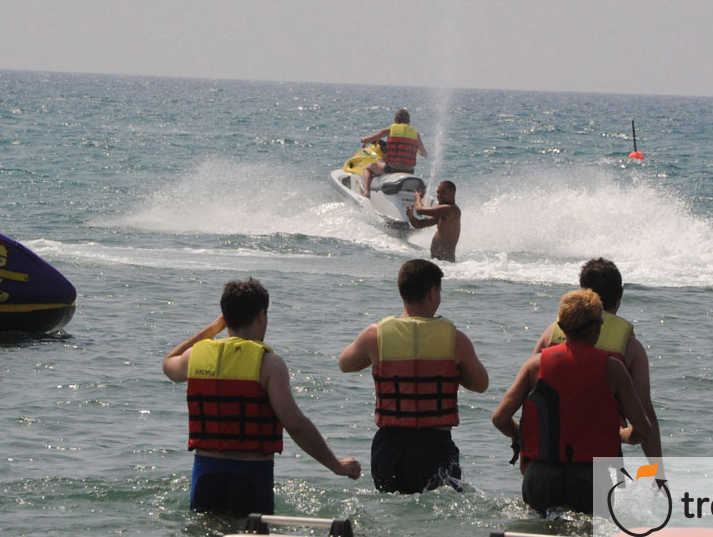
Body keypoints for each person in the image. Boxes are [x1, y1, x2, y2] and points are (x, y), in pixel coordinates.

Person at [162, 278, 361, 515]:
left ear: (224, 318)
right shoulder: (269, 364)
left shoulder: (195, 356)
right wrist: (335, 464)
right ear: (261, 316)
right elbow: (294, 423)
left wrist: (211, 330)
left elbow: (167, 363)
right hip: (251, 478)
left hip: (206, 477)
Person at [492, 289, 652, 515]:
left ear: (562, 327)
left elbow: (500, 418)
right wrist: (617, 434)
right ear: (598, 327)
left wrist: (523, 435)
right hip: (591, 479)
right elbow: (643, 431)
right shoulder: (613, 369)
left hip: (541, 476)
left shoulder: (535, 365)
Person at [338, 259, 488, 494]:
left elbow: (345, 364)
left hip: (389, 447)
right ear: (432, 293)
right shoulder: (455, 340)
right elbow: (481, 384)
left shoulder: (374, 336)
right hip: (434, 446)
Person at [532, 258, 663, 461]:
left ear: (582, 294)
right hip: (601, 454)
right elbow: (645, 414)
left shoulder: (551, 333)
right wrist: (658, 471)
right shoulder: (630, 347)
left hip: (548, 454)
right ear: (620, 295)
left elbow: (530, 393)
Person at [360, 108, 428, 197]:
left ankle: (367, 192)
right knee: (381, 160)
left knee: (368, 167)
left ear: (395, 120)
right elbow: (424, 153)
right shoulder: (415, 133)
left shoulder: (390, 129)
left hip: (392, 168)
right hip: (410, 170)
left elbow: (370, 138)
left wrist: (363, 140)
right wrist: (415, 149)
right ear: (408, 122)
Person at [405, 180, 461, 262]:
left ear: (452, 193)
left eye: (443, 193)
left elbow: (419, 210)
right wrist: (410, 216)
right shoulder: (443, 213)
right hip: (438, 260)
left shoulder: (450, 209)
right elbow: (419, 224)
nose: (439, 196)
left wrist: (418, 197)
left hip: (445, 261)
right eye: (438, 192)